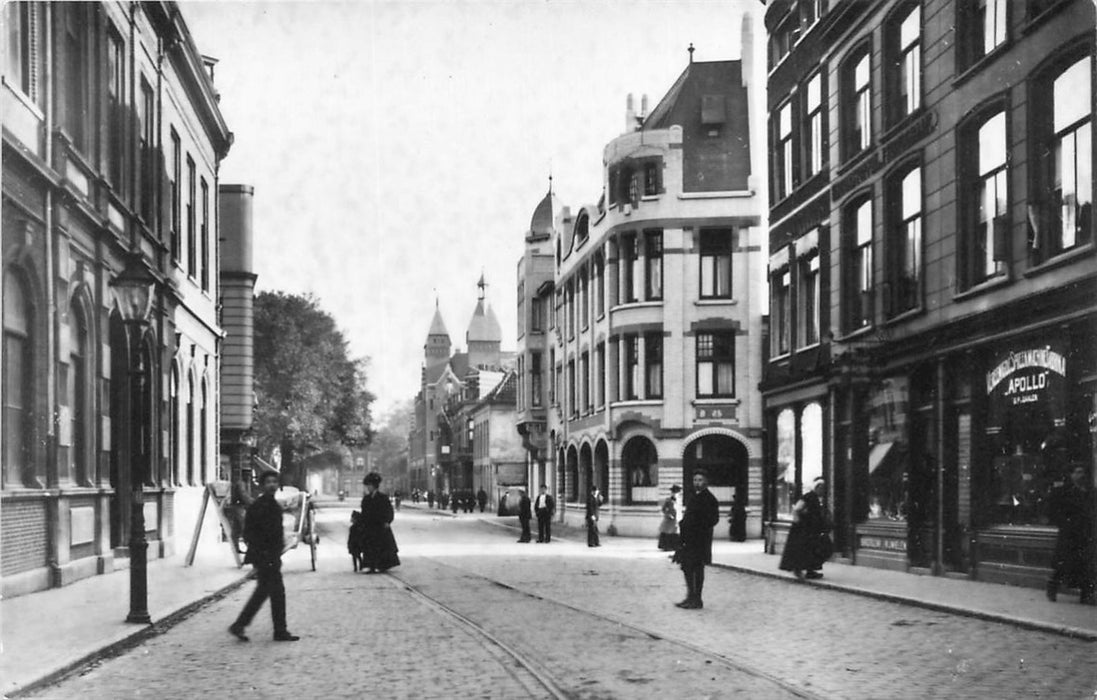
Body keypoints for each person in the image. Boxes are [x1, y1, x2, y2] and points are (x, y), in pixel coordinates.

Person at [229, 470, 300, 642]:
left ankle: (241, 625)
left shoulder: (274, 506)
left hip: (271, 557)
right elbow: (248, 533)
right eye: (268, 482)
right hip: (265, 557)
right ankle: (279, 630)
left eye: (274, 482)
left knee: (265, 592)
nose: (272, 485)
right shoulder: (258, 506)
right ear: (262, 486)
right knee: (275, 593)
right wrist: (262, 553)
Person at [1047, 464, 1096, 604]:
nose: (1082, 475)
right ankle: (1052, 587)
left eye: (1083, 472)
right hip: (1069, 534)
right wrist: (1066, 524)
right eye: (1078, 472)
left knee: (1086, 565)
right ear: (1071, 475)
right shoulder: (1063, 491)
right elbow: (1054, 512)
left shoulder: (1090, 491)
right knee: (1063, 564)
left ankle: (1085, 595)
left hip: (1086, 534)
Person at [673, 470, 720, 609]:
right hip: (689, 539)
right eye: (695, 480)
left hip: (700, 540)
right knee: (687, 567)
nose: (697, 483)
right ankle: (690, 596)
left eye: (700, 480)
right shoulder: (693, 497)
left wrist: (698, 527)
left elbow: (713, 519)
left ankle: (697, 599)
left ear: (706, 482)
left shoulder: (710, 499)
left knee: (697, 569)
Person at [779, 477, 832, 581]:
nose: (823, 491)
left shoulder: (816, 498)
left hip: (812, 530)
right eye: (822, 488)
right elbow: (797, 509)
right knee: (804, 550)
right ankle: (801, 570)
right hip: (803, 530)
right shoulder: (808, 496)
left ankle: (810, 571)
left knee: (813, 550)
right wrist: (799, 522)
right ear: (817, 488)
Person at [359, 471, 400, 573]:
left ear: (374, 486)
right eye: (367, 486)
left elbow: (389, 511)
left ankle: (380, 565)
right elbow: (364, 513)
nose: (368, 488)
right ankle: (370, 565)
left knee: (381, 546)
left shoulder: (383, 498)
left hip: (380, 526)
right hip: (369, 526)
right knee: (369, 545)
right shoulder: (366, 499)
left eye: (369, 486)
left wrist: (387, 521)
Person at [658, 485, 682, 551]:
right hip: (669, 520)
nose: (675, 494)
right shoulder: (668, 500)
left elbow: (679, 509)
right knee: (668, 532)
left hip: (676, 519)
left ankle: (674, 546)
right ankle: (666, 546)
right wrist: (668, 514)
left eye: (677, 492)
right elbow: (663, 509)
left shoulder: (679, 500)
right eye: (674, 492)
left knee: (675, 533)